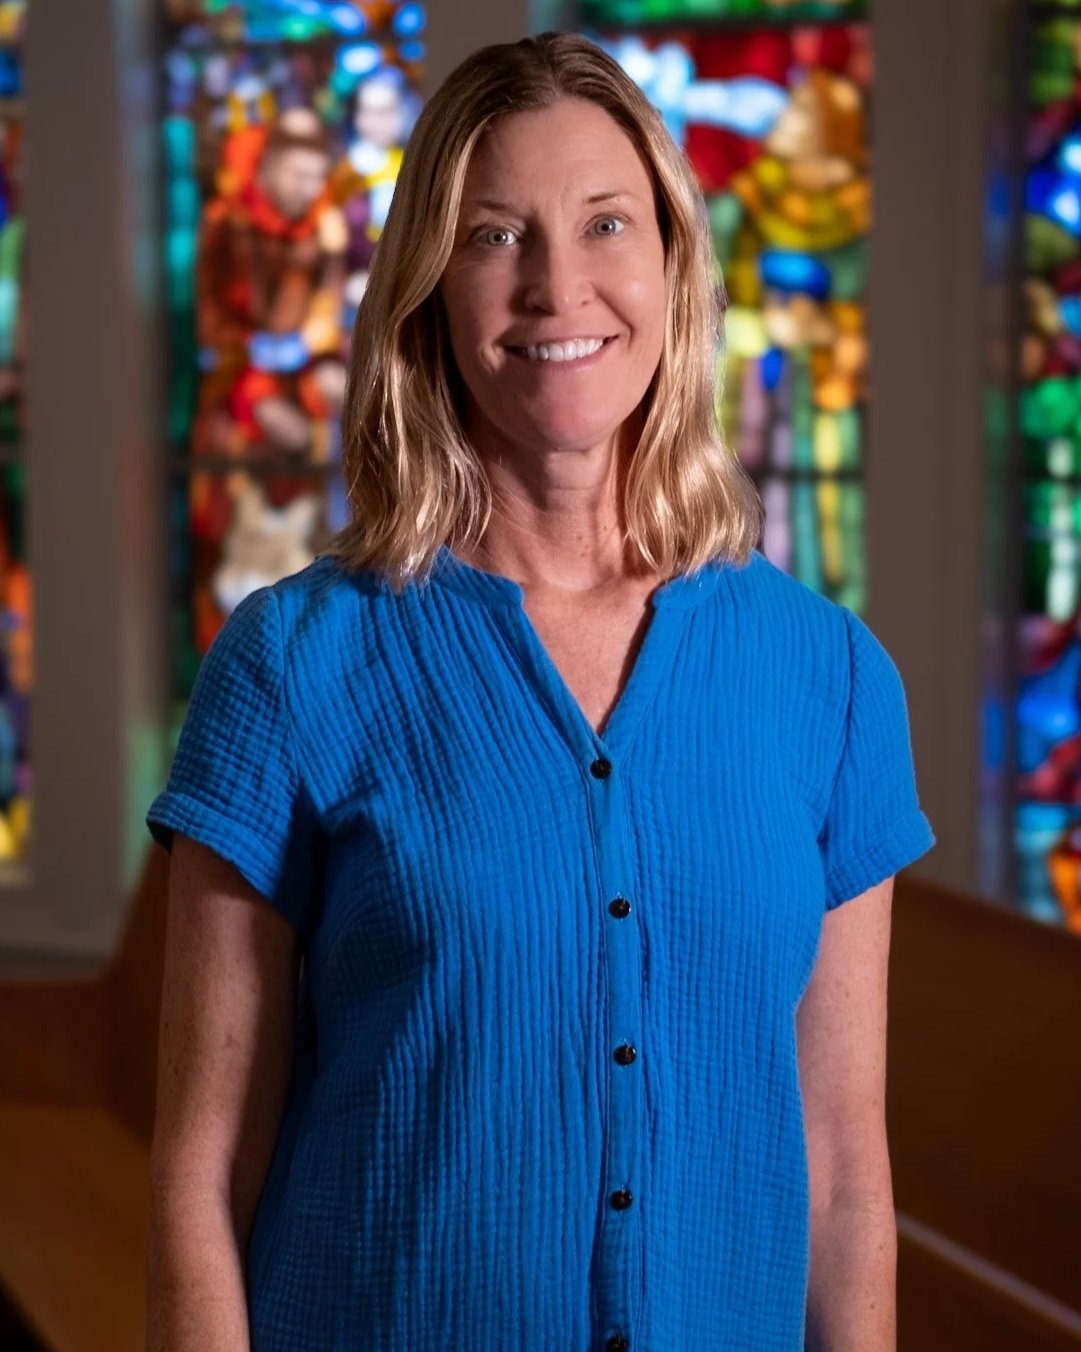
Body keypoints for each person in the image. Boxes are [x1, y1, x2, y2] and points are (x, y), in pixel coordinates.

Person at [144, 30, 935, 1352]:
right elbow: (198, 1179)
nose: (556, 286)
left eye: (606, 224)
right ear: (427, 294)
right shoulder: (292, 662)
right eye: (494, 235)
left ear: (676, 270)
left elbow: (845, 1175)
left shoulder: (830, 678)